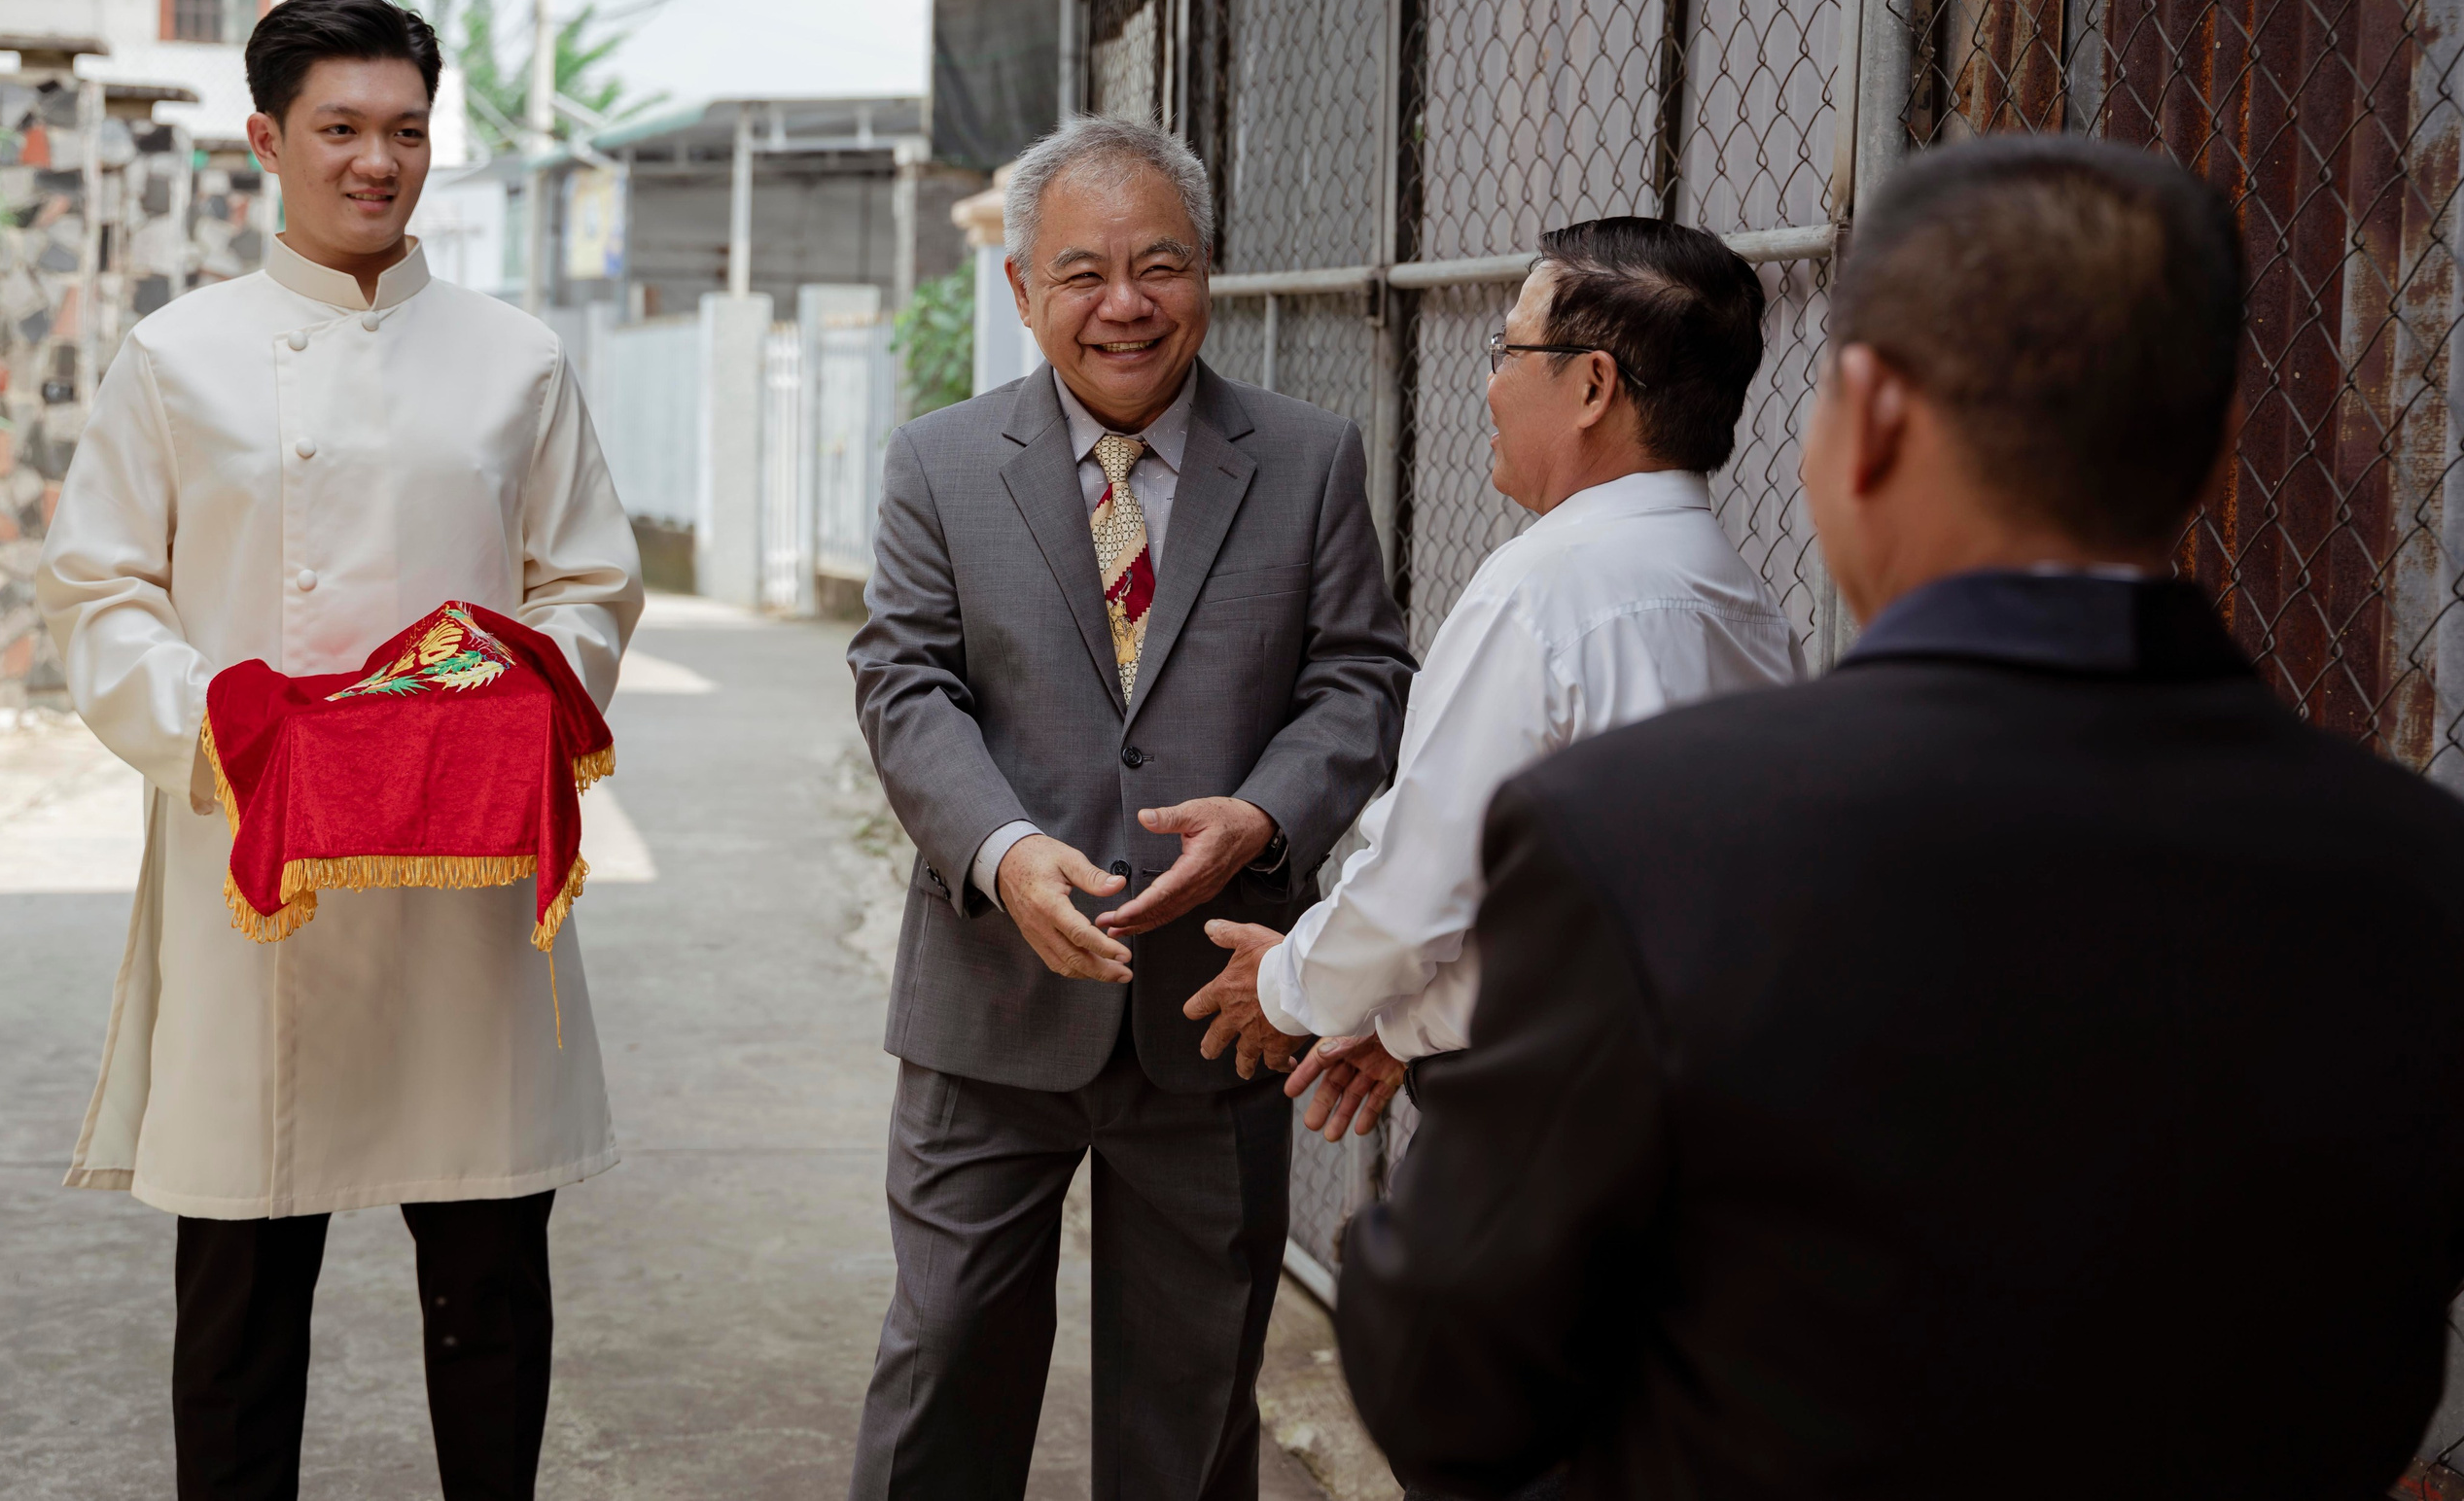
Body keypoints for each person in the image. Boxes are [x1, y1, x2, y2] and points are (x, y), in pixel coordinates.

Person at [1334, 136, 2464, 1499]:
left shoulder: (1642, 838)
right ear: (2206, 436)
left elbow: (1445, 1379)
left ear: (1866, 421)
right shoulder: (2417, 874)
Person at [38, 0, 640, 1501]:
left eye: (406, 132)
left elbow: (586, 580)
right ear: (268, 140)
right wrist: (227, 730)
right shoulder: (177, 358)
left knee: (491, 1277)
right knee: (240, 1298)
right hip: (265, 882)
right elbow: (99, 588)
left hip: (469, 888)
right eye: (341, 130)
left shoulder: (517, 358)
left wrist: (519, 703)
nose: (377, 162)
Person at [845, 114, 1413, 1500]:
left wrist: (1267, 820)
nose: (1126, 305)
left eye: (1160, 265)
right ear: (1021, 289)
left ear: (1206, 274)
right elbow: (904, 681)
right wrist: (1005, 849)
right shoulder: (937, 464)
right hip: (993, 995)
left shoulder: (1309, 457)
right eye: (1084, 272)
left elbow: (1359, 679)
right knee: (946, 1362)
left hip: (1213, 1010)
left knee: (1193, 1393)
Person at [1184, 219, 1807, 1149]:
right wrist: (1400, 1025)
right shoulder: (1749, 610)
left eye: (1507, 348)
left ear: (1593, 385)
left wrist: (1285, 988)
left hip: (1544, 1129)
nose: (1490, 384)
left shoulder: (1542, 590)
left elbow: (1420, 892)